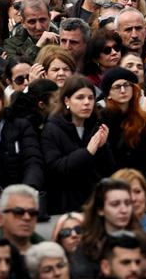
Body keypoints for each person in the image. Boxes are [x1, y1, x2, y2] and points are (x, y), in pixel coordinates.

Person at [41, 76, 116, 214]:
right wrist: (87, 153)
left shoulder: (95, 126)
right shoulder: (52, 128)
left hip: (93, 206)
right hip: (65, 207)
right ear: (67, 100)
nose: (87, 102)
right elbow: (55, 169)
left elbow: (108, 171)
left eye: (91, 98)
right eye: (80, 97)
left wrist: (103, 147)